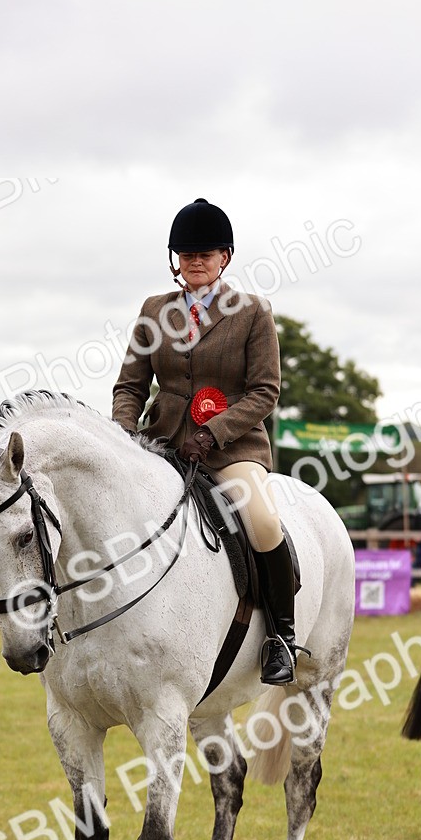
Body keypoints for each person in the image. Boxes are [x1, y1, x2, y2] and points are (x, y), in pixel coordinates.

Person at [112, 197, 299, 684]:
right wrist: (123, 436)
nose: (195, 261)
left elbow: (265, 391)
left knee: (262, 521)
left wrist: (213, 433)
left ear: (225, 257)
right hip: (161, 443)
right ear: (176, 259)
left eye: (205, 253)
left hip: (232, 448)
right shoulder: (154, 310)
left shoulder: (253, 312)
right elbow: (130, 386)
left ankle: (281, 636)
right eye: (187, 254)